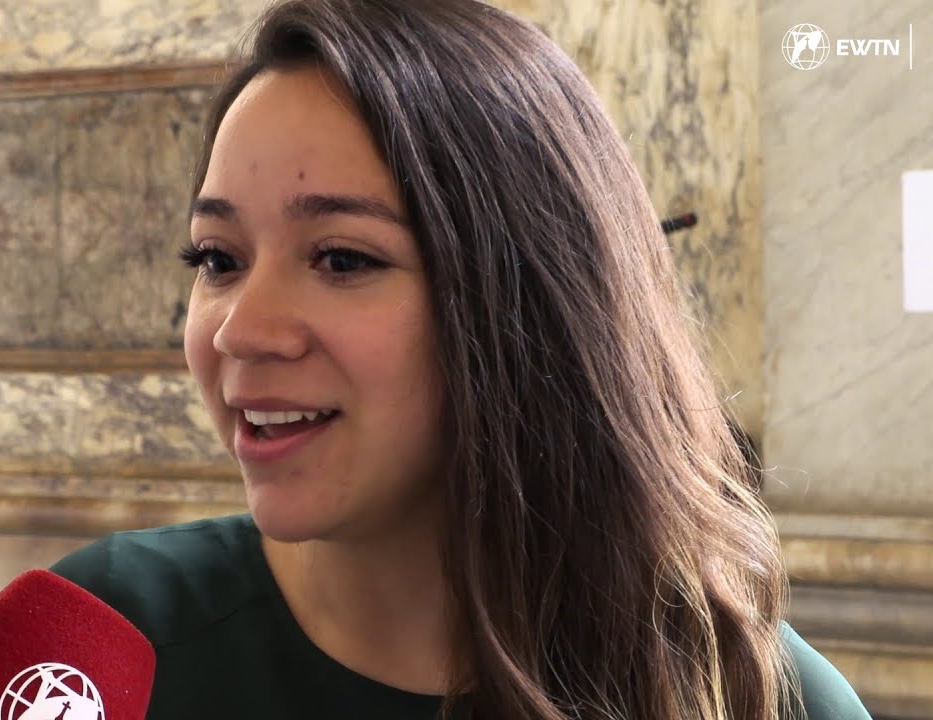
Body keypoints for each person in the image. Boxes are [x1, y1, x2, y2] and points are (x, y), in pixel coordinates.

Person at [52, 1, 872, 718]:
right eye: (217, 259)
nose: (240, 330)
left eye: (341, 259)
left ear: (532, 304)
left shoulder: (751, 695)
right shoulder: (96, 641)